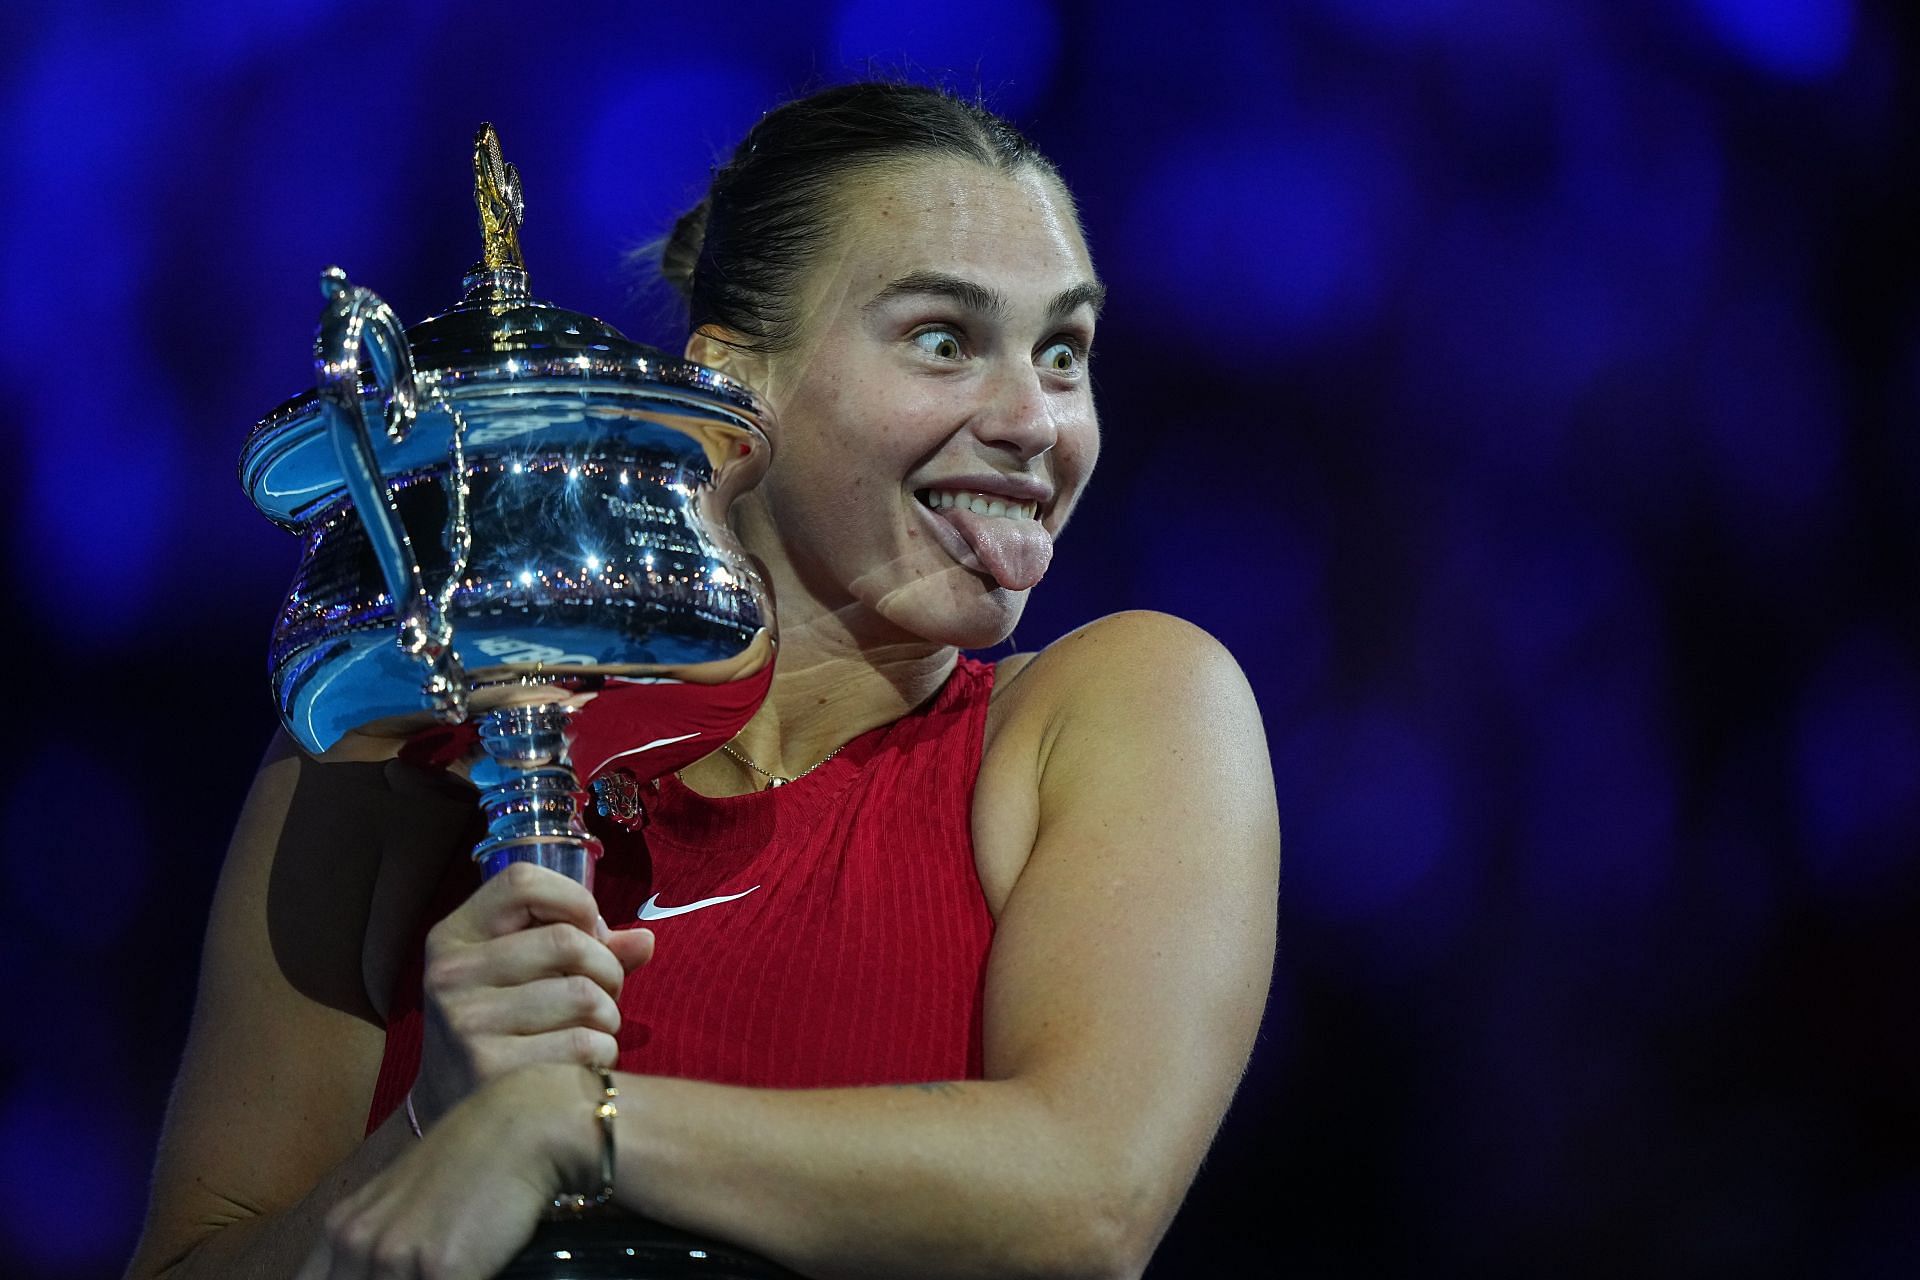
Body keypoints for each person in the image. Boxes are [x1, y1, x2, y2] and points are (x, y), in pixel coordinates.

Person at [127, 82, 1279, 1280]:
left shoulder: (1117, 710)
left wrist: (573, 1123)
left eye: (1063, 351)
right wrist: (434, 1122)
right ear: (733, 382)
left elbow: (1085, 1197)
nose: (1036, 420)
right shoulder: (410, 748)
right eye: (945, 339)